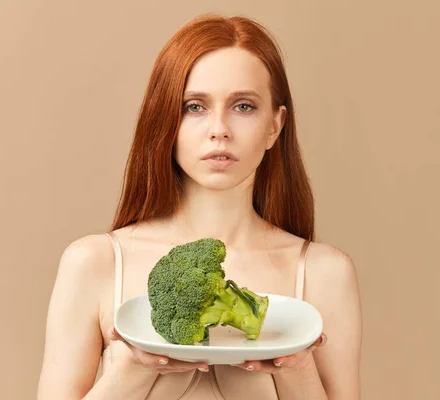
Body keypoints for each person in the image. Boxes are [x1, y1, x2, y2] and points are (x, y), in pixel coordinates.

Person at [37, 14, 362, 400]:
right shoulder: (93, 262)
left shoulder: (325, 274)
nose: (219, 129)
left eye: (243, 106)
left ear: (275, 126)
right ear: (166, 121)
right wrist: (135, 367)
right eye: (194, 106)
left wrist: (298, 367)